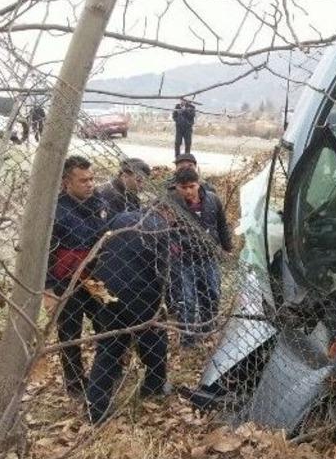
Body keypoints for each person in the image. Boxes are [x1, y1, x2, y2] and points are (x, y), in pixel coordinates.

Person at [85, 205, 171, 423]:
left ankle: (96, 408)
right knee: (154, 338)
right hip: (140, 290)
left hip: (105, 287)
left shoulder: (120, 217)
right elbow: (163, 269)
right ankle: (154, 386)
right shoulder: (159, 226)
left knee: (109, 346)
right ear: (166, 212)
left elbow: (98, 245)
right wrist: (166, 301)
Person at [44, 156, 110, 397]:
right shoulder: (56, 212)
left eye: (92, 179)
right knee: (70, 335)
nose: (90, 184)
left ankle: (105, 374)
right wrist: (48, 290)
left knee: (106, 324)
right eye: (83, 180)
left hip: (96, 279)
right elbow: (46, 254)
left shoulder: (99, 203)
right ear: (66, 182)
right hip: (66, 283)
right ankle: (75, 384)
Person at [171, 167, 233, 347]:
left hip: (208, 258)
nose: (189, 191)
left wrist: (227, 247)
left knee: (212, 293)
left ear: (199, 183)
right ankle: (188, 340)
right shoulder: (171, 205)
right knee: (187, 300)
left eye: (192, 186)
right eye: (184, 187)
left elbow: (221, 225)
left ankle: (208, 329)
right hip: (183, 261)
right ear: (176, 187)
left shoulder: (212, 200)